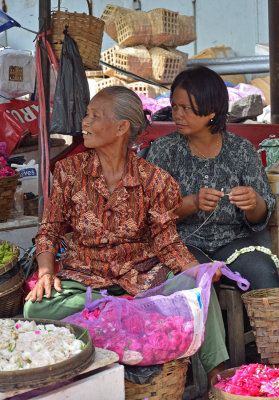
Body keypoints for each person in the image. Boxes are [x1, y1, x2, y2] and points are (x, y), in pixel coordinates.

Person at [24, 86, 228, 386]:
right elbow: (50, 228)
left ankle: (219, 381)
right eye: (86, 114)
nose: (85, 122)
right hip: (84, 280)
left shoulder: (154, 180)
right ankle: (127, 312)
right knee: (35, 307)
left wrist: (194, 271)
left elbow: (165, 239)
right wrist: (44, 272)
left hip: (142, 277)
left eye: (95, 116)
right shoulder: (69, 172)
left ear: (122, 127)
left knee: (199, 294)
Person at [146, 65, 279, 291]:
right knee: (200, 280)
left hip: (235, 244)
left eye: (186, 108)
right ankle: (208, 328)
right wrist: (192, 203)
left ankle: (267, 327)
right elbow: (151, 214)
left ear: (211, 111)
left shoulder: (241, 150)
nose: (177, 115)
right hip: (184, 245)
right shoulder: (165, 150)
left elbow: (260, 217)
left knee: (263, 273)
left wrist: (253, 203)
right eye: (175, 106)